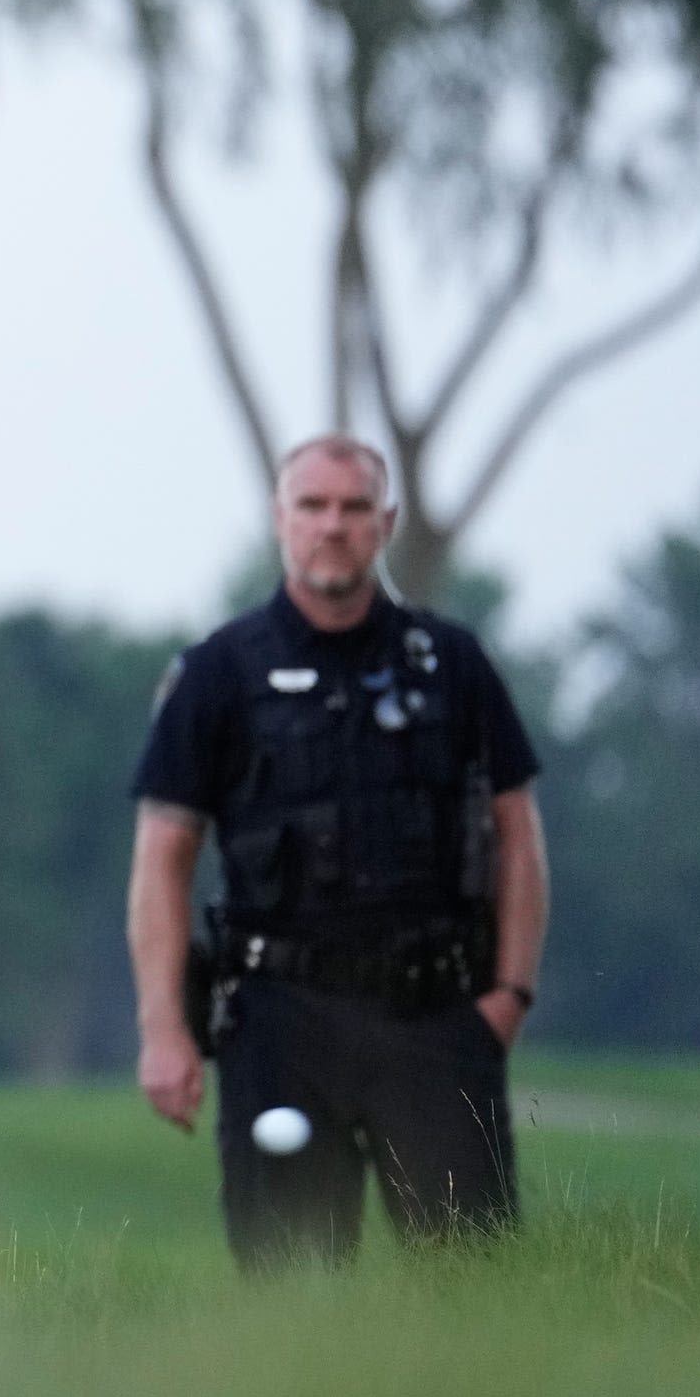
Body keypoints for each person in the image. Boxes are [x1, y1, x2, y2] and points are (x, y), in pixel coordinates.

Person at [126, 434, 550, 1270]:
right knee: (289, 1298)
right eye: (312, 506)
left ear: (386, 522)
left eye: (354, 508)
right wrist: (164, 1029)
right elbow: (161, 859)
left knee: (478, 1292)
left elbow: (520, 836)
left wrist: (509, 996)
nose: (333, 526)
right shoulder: (217, 673)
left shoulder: (451, 665)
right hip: (281, 1023)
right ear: (279, 520)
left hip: (434, 1016)